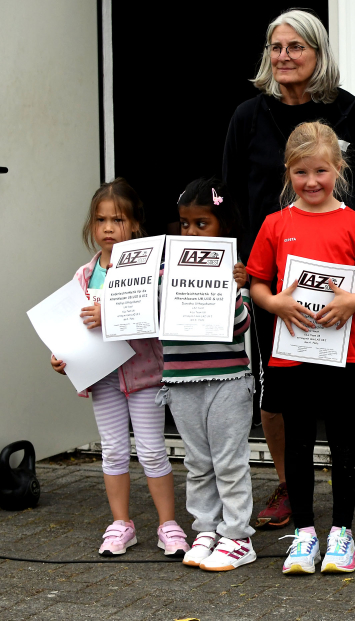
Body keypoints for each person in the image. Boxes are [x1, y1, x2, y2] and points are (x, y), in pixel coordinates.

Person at [224, 8, 355, 532]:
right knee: (276, 384)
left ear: (318, 53)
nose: (283, 56)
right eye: (276, 47)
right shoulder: (247, 117)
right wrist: (252, 263)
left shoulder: (350, 112)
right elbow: (233, 193)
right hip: (271, 280)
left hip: (339, 282)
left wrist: (337, 249)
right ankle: (288, 484)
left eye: (295, 47)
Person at [247, 121, 355, 575]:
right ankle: (305, 534)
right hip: (290, 355)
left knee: (345, 444)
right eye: (302, 172)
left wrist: (353, 301)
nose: (312, 182)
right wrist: (276, 304)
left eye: (322, 171)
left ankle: (342, 534)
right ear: (287, 172)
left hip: (341, 356)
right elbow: (258, 285)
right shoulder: (275, 224)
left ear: (338, 169)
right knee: (299, 443)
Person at [50, 179, 189, 558]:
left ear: (135, 224)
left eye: (118, 219)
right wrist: (60, 356)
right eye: (100, 220)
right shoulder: (84, 274)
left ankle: (167, 524)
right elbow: (70, 325)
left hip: (143, 376)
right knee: (112, 451)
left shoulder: (148, 269)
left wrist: (109, 314)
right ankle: (121, 524)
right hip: (103, 379)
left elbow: (159, 315)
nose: (108, 228)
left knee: (151, 451)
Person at [155, 178, 256, 571]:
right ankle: (207, 529)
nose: (191, 232)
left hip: (228, 380)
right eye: (184, 224)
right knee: (198, 462)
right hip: (180, 381)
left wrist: (232, 288)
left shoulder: (236, 275)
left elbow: (239, 326)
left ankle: (237, 536)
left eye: (202, 223)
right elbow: (147, 320)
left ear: (224, 225)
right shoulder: (164, 272)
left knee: (229, 461)